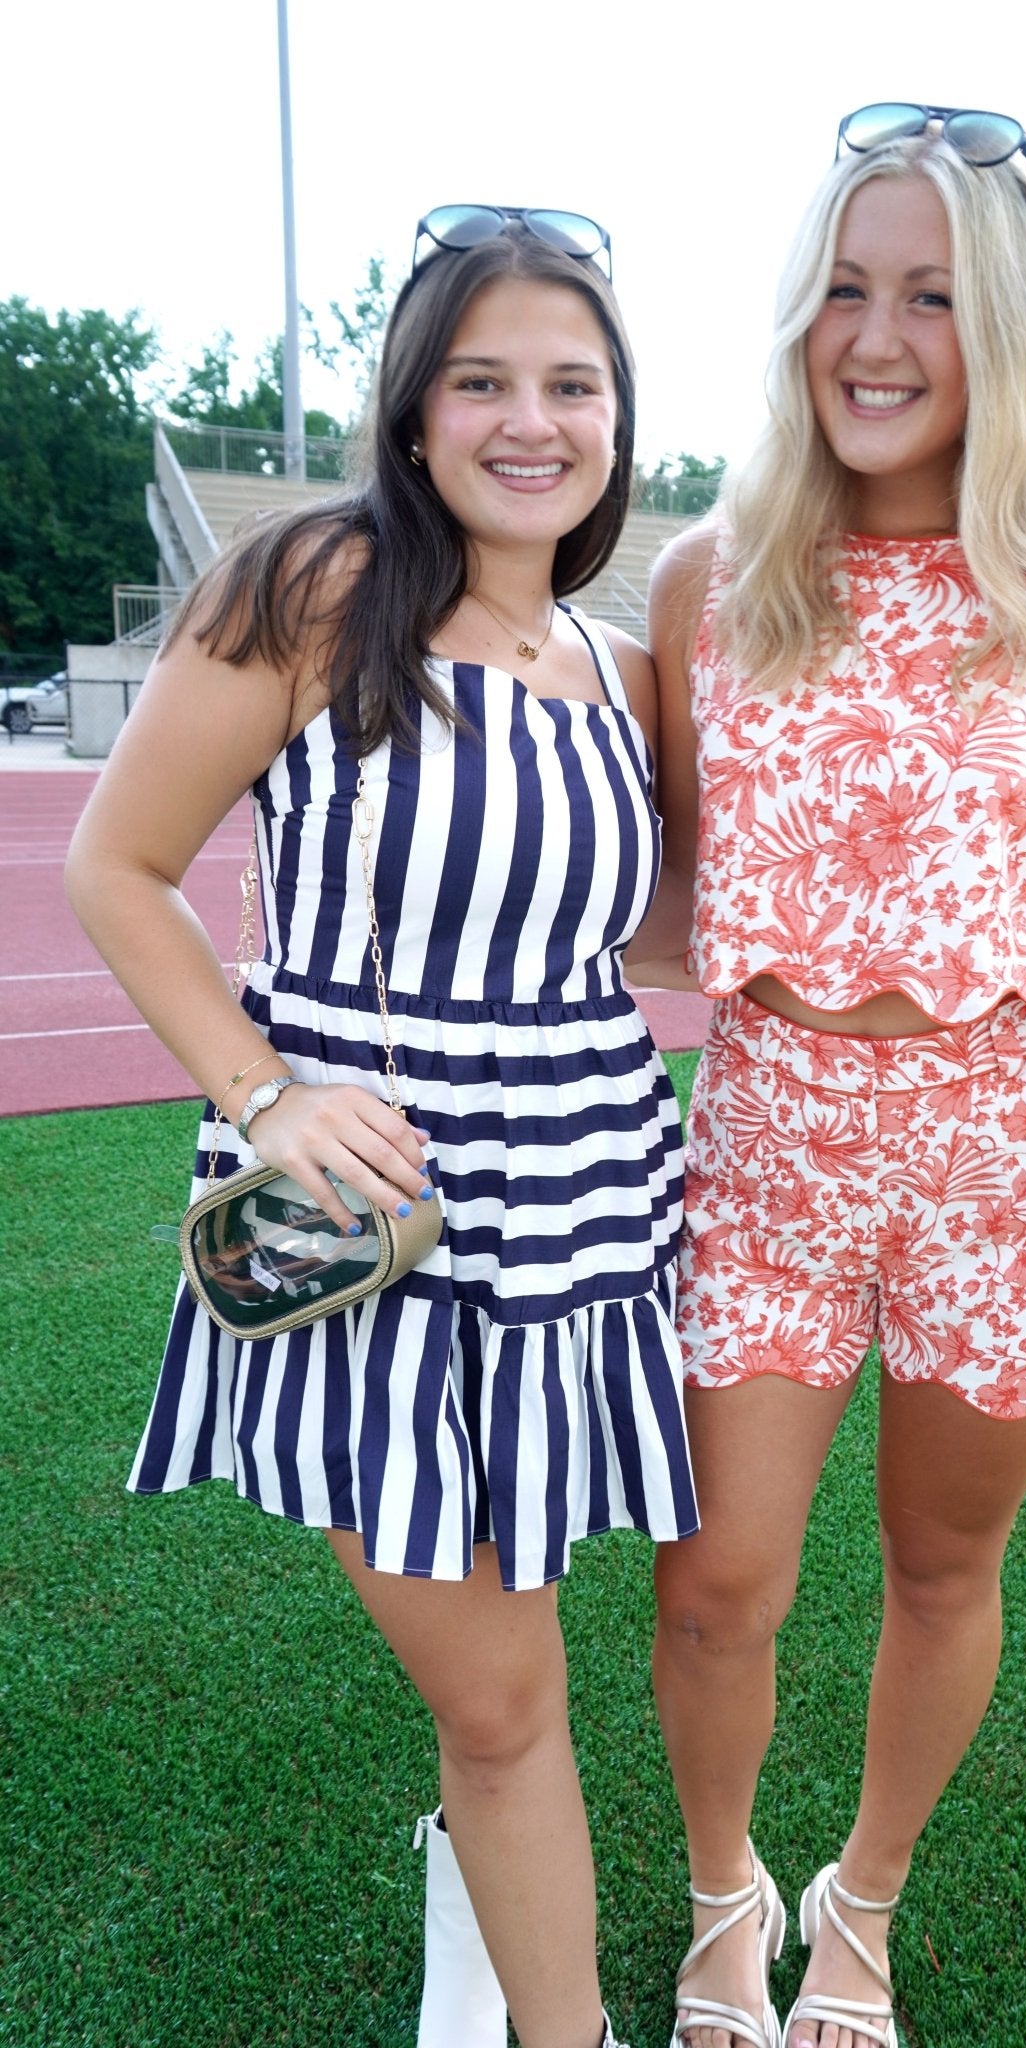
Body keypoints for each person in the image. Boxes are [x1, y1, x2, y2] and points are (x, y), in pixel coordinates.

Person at [629, 106, 1026, 2048]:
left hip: (1015, 1147)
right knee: (715, 1578)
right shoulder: (709, 578)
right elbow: (667, 896)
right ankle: (721, 1897)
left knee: (939, 1558)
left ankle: (859, 1912)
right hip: (762, 1138)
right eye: (840, 286)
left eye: (926, 292)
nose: (874, 334)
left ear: (1008, 328)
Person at [66, 204, 699, 2048]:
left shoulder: (600, 654)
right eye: (480, 377)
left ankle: (476, 1902)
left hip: (583, 1221)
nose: (531, 419)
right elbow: (122, 865)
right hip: (384, 1237)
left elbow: (642, 934)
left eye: (570, 383)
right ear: (411, 407)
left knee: (494, 1666)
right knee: (508, 1700)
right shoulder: (317, 585)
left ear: (616, 417)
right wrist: (263, 1086)